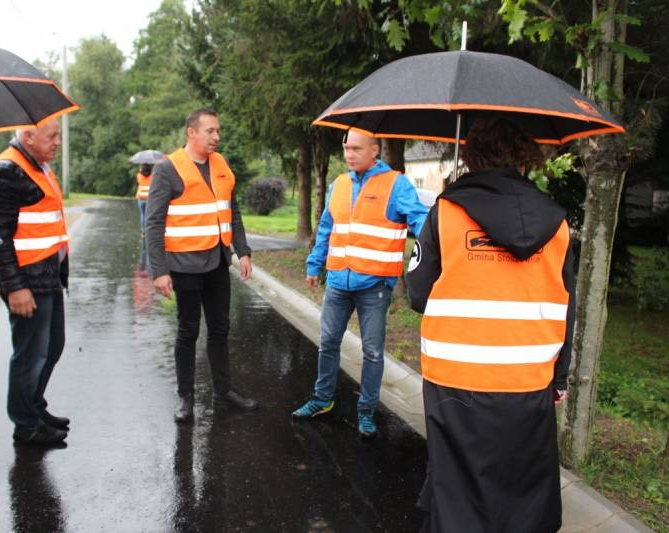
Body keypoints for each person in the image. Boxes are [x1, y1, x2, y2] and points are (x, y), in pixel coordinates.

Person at [405, 117, 575, 532]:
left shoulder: (446, 212)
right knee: (520, 493)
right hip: (527, 379)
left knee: (458, 489)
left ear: (470, 152)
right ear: (524, 154)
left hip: (455, 379)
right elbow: (565, 304)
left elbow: (417, 294)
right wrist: (559, 377)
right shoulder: (556, 222)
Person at [291, 130, 428, 439]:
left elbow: (419, 220)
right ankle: (322, 399)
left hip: (375, 285)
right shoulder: (339, 184)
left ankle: (366, 410)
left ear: (375, 150)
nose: (349, 154)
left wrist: (437, 241)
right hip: (339, 280)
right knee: (328, 343)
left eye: (356, 149)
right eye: (346, 149)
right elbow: (327, 226)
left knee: (373, 352)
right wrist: (315, 264)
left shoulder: (397, 184)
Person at [146, 108, 257, 423]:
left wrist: (243, 250)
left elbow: (231, 209)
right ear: (191, 132)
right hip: (184, 265)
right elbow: (153, 223)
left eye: (218, 131)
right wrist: (159, 270)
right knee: (188, 331)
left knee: (220, 329)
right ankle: (186, 398)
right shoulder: (168, 169)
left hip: (219, 262)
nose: (217, 137)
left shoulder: (220, 164)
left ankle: (223, 392)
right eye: (210, 131)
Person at [0, 120, 70, 445]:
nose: (57, 142)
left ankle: (34, 406)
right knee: (31, 354)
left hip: (46, 275)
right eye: (52, 135)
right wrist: (14, 286)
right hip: (26, 280)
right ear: (27, 136)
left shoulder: (38, 165)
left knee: (52, 347)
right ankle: (25, 424)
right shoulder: (6, 170)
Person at [136, 163, 153, 273]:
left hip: (141, 198)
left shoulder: (139, 175)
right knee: (148, 216)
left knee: (142, 215)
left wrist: (140, 169)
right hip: (149, 198)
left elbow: (137, 183)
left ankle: (143, 232)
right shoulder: (153, 175)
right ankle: (148, 230)